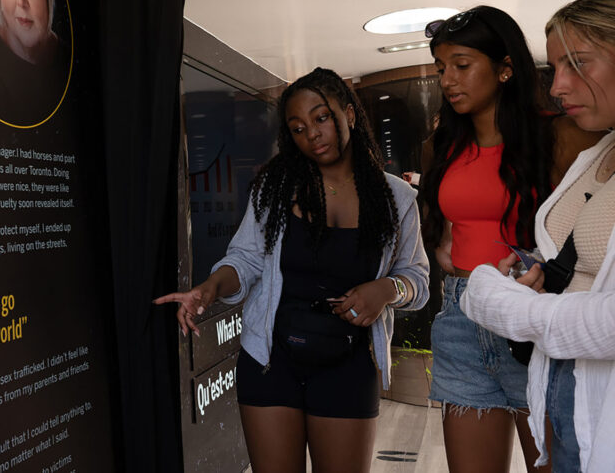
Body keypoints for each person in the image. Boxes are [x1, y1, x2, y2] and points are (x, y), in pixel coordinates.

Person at [156, 67, 429, 473]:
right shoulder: (275, 189)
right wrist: (210, 287)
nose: (312, 134)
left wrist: (387, 290)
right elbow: (245, 260)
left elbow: (418, 281)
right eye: (298, 127)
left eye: (321, 118)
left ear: (349, 114)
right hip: (271, 360)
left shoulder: (396, 197)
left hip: (348, 364)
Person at [461, 0, 615, 473]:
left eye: (578, 63)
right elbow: (589, 260)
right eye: (556, 66)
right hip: (565, 399)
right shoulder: (598, 153)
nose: (558, 85)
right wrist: (530, 274)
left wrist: (523, 313)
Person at [419, 6, 598, 473]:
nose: (448, 80)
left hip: (531, 316)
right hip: (460, 315)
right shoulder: (441, 146)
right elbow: (445, 224)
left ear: (504, 68)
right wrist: (447, 251)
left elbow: (590, 230)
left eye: (462, 65)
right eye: (441, 69)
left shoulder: (559, 136)